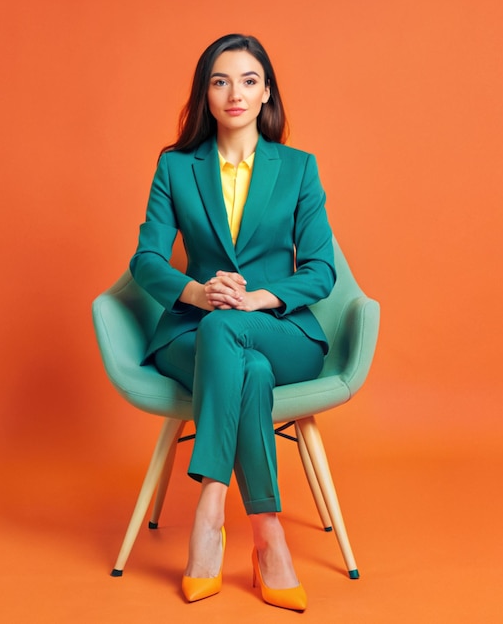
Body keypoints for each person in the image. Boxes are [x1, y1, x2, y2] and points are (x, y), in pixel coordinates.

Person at [129, 33, 335, 611]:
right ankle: (268, 536)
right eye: (220, 81)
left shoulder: (298, 170)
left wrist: (260, 297)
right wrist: (197, 289)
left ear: (266, 91)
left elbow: (320, 271)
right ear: (206, 94)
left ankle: (210, 508)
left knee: (234, 334)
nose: (235, 93)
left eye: (248, 80)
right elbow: (146, 259)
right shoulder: (176, 167)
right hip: (193, 332)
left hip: (281, 328)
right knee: (244, 363)